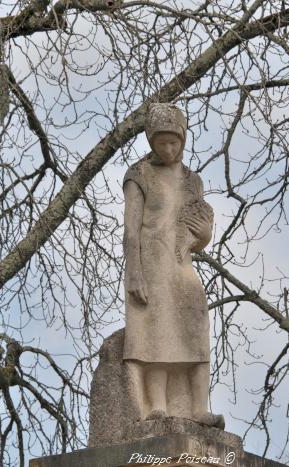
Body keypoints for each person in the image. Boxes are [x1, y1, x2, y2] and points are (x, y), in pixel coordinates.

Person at [122, 103, 223, 428]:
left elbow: (199, 230)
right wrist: (134, 273)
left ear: (183, 140)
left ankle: (198, 408)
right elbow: (130, 230)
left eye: (174, 142)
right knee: (156, 334)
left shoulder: (193, 180)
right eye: (162, 142)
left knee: (195, 329)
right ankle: (158, 406)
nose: (168, 148)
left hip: (181, 266)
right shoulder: (139, 175)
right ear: (151, 141)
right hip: (151, 265)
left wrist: (203, 236)